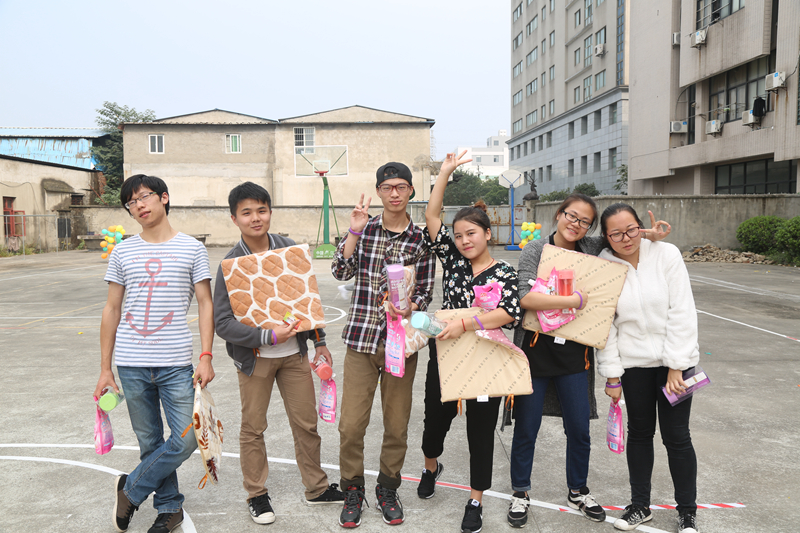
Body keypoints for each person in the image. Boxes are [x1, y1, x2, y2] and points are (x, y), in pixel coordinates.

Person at [508, 194, 672, 528]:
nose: (576, 224)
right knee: (526, 428)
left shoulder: (591, 248)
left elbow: (621, 237)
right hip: (535, 354)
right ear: (559, 214)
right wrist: (573, 300)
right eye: (572, 216)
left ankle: (578, 490)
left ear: (590, 228)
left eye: (585, 221)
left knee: (579, 430)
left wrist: (649, 234)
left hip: (575, 357)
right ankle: (520, 492)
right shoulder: (536, 250)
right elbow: (525, 297)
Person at [213, 182, 344, 525]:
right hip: (255, 359)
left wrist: (319, 341)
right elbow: (223, 323)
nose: (255, 218)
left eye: (261, 210)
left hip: (294, 356)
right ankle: (256, 494)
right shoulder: (230, 264)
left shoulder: (289, 250)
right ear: (234, 218)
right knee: (253, 428)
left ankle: (316, 488)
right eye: (246, 213)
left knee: (306, 424)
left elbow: (308, 301)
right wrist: (266, 335)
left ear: (270, 212)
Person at [93, 174, 215, 533]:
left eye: (144, 196)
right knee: (149, 442)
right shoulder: (123, 251)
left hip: (175, 363)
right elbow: (112, 309)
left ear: (164, 197)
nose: (139, 206)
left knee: (189, 437)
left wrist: (206, 355)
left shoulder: (192, 248)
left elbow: (205, 303)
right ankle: (169, 508)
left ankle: (130, 489)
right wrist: (105, 368)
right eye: (131, 202)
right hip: (131, 364)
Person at [418, 151, 521, 533]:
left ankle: (476, 499)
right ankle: (431, 466)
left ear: (488, 233)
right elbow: (432, 216)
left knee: (481, 431)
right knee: (435, 421)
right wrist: (444, 172)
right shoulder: (454, 262)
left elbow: (508, 312)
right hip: (446, 354)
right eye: (458, 235)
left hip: (486, 359)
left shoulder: (505, 272)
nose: (463, 241)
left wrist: (466, 324)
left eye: (471, 233)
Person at [332, 162, 436, 528]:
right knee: (350, 426)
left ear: (410, 191)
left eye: (401, 186)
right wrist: (353, 232)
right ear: (378, 191)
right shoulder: (364, 229)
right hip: (361, 340)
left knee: (396, 424)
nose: (394, 193)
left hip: (401, 345)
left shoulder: (420, 239)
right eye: (388, 187)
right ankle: (352, 489)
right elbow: (340, 271)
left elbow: (425, 290)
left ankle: (388, 488)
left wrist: (410, 306)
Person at [596, 203, 699, 533]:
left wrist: (676, 366)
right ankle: (640, 506)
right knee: (640, 434)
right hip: (634, 367)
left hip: (677, 366)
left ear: (641, 227)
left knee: (677, 437)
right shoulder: (604, 266)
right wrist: (612, 374)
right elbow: (607, 324)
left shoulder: (667, 254)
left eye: (631, 230)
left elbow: (682, 311)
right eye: (616, 234)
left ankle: (687, 512)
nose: (626, 238)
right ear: (606, 237)